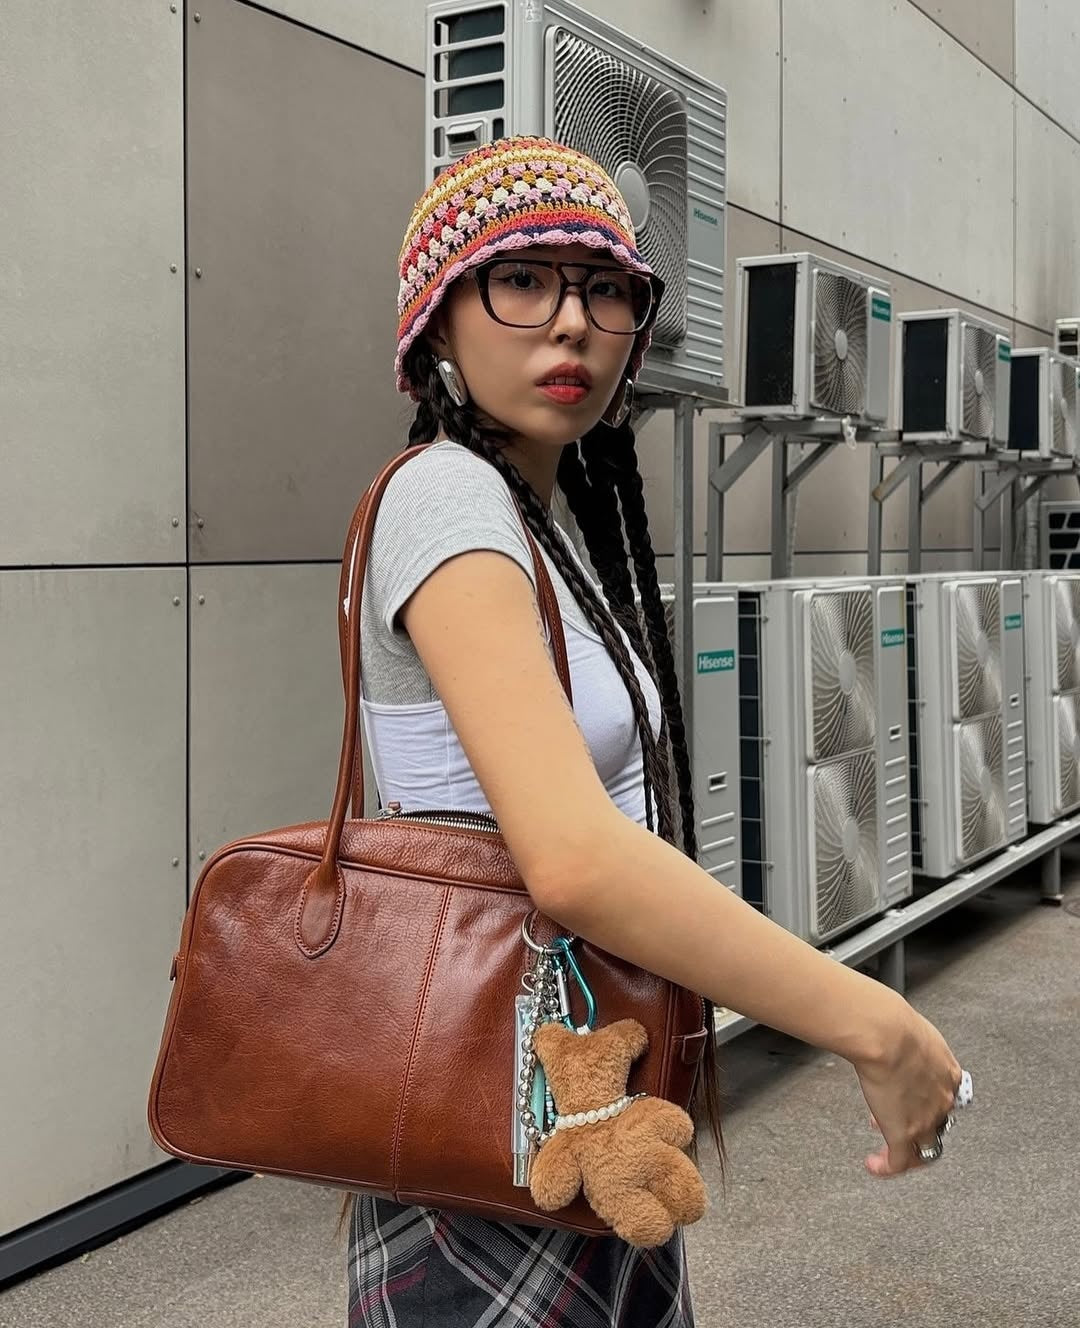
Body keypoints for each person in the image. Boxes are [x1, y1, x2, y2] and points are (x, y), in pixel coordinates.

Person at [339, 136, 963, 1327]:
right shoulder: (445, 493)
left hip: (582, 1096)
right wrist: (872, 1021)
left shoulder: (545, 513)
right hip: (496, 1120)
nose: (573, 321)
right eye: (523, 279)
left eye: (605, 287)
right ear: (437, 323)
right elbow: (573, 858)